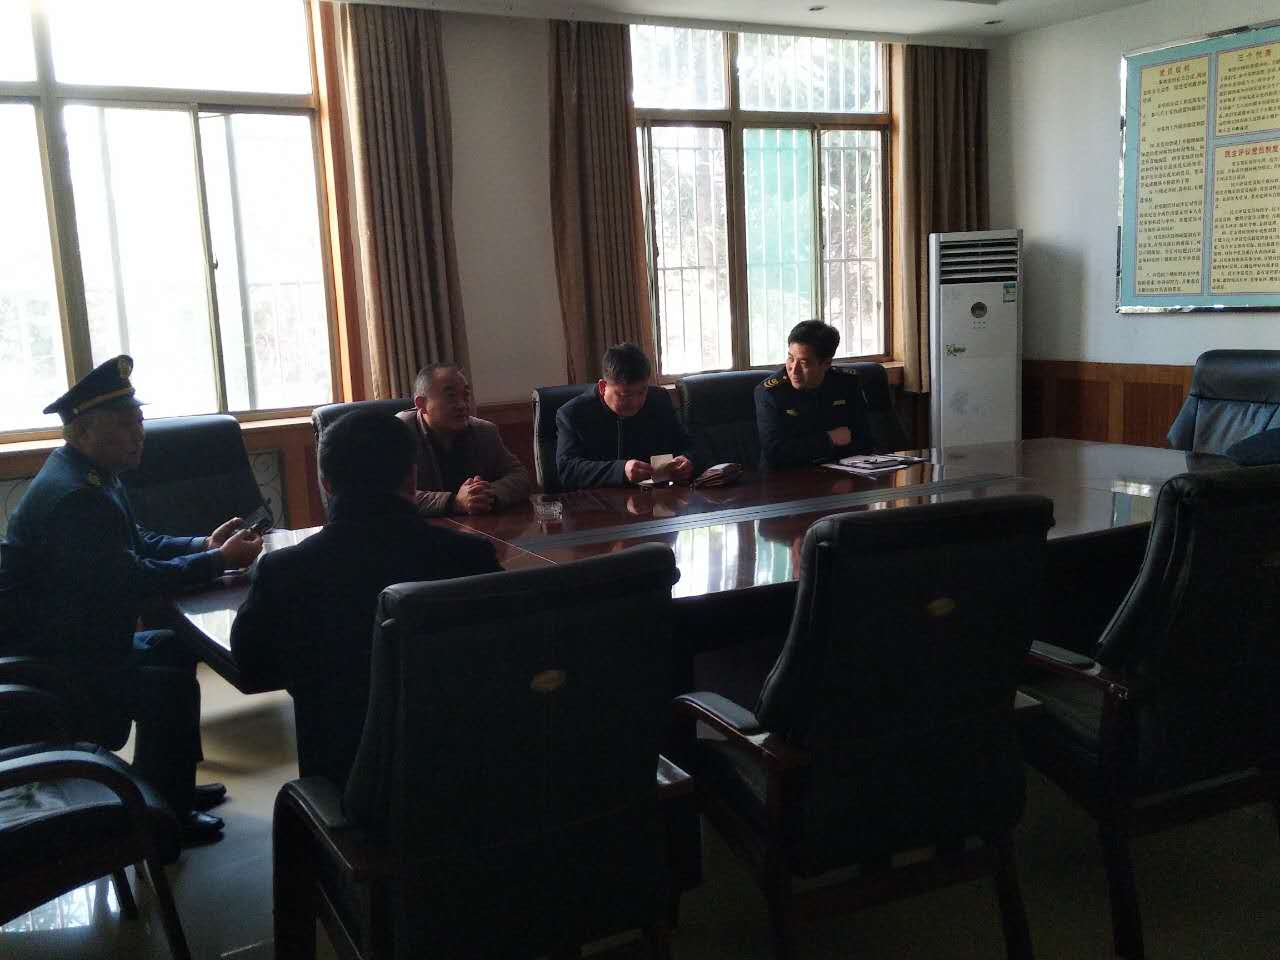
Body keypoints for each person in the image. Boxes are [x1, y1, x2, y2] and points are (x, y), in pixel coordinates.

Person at [0, 355, 262, 843]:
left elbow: (139, 542)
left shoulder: (89, 474)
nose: (139, 434)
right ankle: (166, 823)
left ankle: (168, 786)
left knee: (175, 646)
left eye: (139, 421)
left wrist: (203, 545)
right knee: (167, 685)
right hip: (56, 662)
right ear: (82, 430)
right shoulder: (76, 497)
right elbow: (131, 580)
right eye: (125, 424)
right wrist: (218, 561)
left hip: (80, 640)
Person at [230, 408, 502, 789]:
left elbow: (252, 669)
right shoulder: (471, 557)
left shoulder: (284, 571)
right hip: (467, 778)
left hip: (346, 787)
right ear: (412, 479)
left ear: (326, 484)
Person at [555, 343, 694, 490]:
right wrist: (621, 471)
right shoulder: (573, 414)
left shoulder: (658, 400)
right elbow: (567, 470)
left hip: (658, 498)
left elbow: (689, 445)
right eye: (625, 395)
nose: (635, 402)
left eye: (642, 392)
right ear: (603, 387)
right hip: (600, 500)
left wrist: (688, 460)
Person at [397, 363, 530, 516]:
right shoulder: (398, 434)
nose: (462, 405)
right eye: (451, 396)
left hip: (478, 526)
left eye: (465, 395)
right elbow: (388, 495)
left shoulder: (484, 431)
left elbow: (521, 477)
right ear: (421, 404)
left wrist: (487, 493)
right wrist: (454, 502)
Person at [754, 320, 874, 469]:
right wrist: (829, 439)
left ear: (826, 363)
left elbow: (865, 440)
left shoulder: (846, 384)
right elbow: (775, 452)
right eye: (791, 358)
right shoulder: (771, 392)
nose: (794, 370)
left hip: (842, 471)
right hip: (786, 477)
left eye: (804, 363)